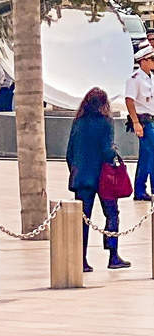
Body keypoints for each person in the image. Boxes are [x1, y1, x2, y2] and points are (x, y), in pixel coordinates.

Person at [65, 87, 131, 271]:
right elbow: (107, 150)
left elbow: (69, 152)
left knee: (83, 219)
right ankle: (113, 255)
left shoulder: (78, 122)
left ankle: (81, 260)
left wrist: (75, 170)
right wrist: (116, 156)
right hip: (103, 178)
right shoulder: (105, 122)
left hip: (82, 178)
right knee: (111, 214)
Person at [124, 44, 154, 200]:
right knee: (150, 154)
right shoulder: (135, 79)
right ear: (143, 61)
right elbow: (129, 100)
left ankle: (140, 189)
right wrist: (135, 122)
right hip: (143, 120)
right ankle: (144, 188)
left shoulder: (151, 78)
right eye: (151, 59)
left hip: (151, 119)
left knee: (146, 156)